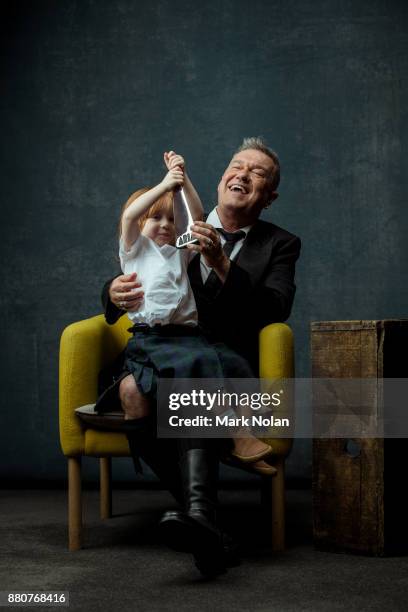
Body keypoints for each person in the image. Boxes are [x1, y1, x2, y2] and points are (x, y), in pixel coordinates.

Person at [101, 137, 301, 577]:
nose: (243, 174)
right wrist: (113, 291)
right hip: (163, 346)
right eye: (237, 165)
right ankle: (207, 520)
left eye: (258, 173)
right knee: (134, 391)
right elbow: (138, 266)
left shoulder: (281, 244)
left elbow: (274, 308)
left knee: (184, 391)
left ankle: (204, 520)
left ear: (269, 197)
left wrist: (223, 264)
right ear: (222, 177)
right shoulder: (173, 222)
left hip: (223, 354)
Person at [110, 149, 273, 465]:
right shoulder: (134, 252)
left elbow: (197, 215)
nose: (164, 225)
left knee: (231, 361)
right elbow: (130, 215)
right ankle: (236, 435)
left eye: (170, 220)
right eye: (155, 218)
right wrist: (165, 183)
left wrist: (182, 179)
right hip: (155, 339)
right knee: (199, 362)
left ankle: (253, 439)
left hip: (188, 336)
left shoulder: (178, 253)